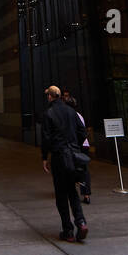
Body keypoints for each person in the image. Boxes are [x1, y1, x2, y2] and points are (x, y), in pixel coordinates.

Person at [41, 85, 88, 243]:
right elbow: (82, 132)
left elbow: (46, 138)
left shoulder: (49, 113)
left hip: (59, 157)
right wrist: (75, 147)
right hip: (73, 156)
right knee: (72, 191)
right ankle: (81, 222)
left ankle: (68, 231)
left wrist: (44, 157)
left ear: (50, 97)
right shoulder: (71, 111)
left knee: (61, 194)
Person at [64, 92, 91, 204]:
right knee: (83, 170)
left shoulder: (69, 116)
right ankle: (86, 194)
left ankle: (71, 190)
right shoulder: (79, 115)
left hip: (76, 146)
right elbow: (83, 131)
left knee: (70, 167)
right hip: (83, 145)